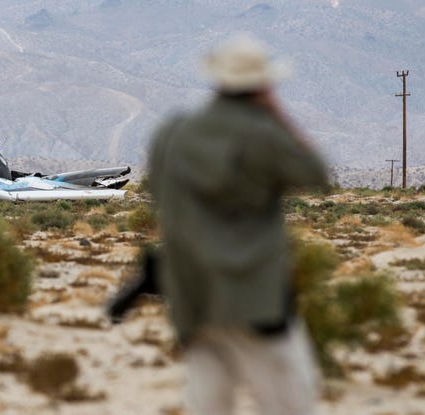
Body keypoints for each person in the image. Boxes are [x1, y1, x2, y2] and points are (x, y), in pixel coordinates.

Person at [148, 34, 328, 415]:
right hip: (253, 295)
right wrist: (278, 114)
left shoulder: (174, 134)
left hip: (193, 295)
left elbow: (160, 198)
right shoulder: (262, 136)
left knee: (208, 403)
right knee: (290, 400)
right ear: (262, 86)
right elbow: (315, 173)